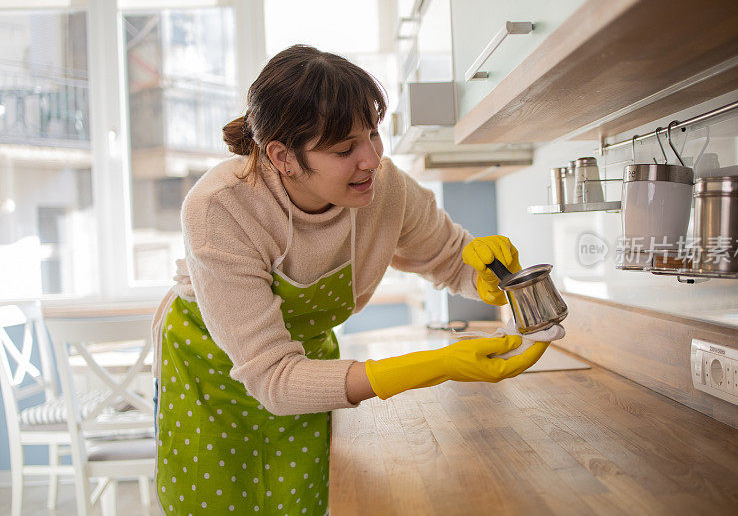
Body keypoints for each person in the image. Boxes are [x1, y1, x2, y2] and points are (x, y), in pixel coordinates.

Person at [152, 44, 559, 515]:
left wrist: (486, 276)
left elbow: (450, 259)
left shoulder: (385, 188)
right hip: (213, 373)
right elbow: (273, 379)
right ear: (282, 156)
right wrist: (433, 366)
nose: (371, 159)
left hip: (305, 365)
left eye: (372, 133)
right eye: (345, 148)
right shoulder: (221, 208)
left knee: (302, 499)